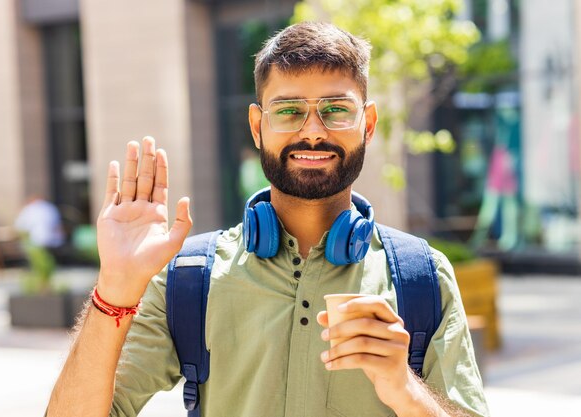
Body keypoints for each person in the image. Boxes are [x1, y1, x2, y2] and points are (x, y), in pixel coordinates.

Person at [47, 22, 489, 417]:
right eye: (289, 110)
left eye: (336, 109)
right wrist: (116, 287)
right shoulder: (188, 279)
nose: (313, 131)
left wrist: (407, 392)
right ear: (257, 127)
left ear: (368, 124)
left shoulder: (422, 277)